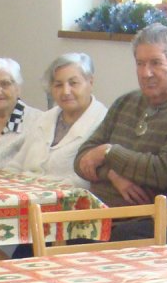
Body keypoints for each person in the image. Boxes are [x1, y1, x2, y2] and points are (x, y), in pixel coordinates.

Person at [75, 24, 167, 207]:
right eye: (140, 63)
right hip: (93, 211)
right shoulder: (126, 102)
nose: (145, 73)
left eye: (155, 63)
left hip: (139, 220)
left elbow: (162, 173)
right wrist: (112, 174)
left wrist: (108, 152)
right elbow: (82, 159)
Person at [14, 53, 108, 188]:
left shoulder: (103, 122)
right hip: (24, 197)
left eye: (73, 83)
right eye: (58, 85)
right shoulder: (44, 118)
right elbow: (16, 164)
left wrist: (43, 187)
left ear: (90, 82)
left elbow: (90, 180)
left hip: (69, 202)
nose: (66, 91)